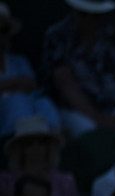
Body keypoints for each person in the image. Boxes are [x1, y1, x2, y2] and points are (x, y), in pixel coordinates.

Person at [42, 0, 115, 137]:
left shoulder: (114, 34)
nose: (89, 19)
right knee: (89, 130)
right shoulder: (57, 36)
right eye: (83, 13)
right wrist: (99, 119)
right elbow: (65, 83)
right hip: (75, 111)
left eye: (95, 15)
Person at [0, 115, 77, 196]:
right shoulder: (7, 183)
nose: (36, 148)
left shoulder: (66, 182)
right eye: (30, 143)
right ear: (20, 148)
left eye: (41, 142)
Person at [0, 2, 61, 138]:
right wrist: (16, 84)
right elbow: (23, 85)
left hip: (28, 107)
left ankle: (53, 139)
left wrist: (5, 86)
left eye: (3, 30)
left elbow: (31, 84)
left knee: (43, 103)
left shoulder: (18, 60)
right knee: (17, 101)